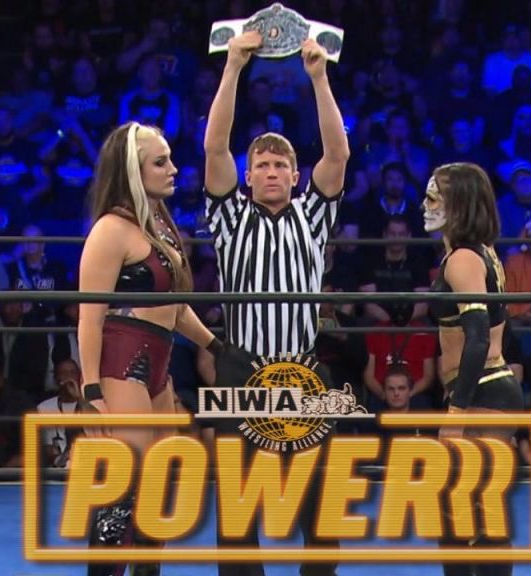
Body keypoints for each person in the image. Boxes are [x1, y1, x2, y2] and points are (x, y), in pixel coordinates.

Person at [202, 31, 348, 576]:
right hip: (243, 369)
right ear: (248, 176)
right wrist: (233, 68)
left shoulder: (313, 214)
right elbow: (215, 148)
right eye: (261, 164)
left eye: (280, 165)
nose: (270, 171)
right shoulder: (229, 218)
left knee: (321, 506)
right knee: (239, 509)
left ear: (294, 175)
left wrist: (319, 77)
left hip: (303, 370)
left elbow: (338, 153)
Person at [77, 121, 221, 576]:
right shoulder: (111, 230)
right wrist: (91, 392)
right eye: (160, 162)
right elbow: (89, 316)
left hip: (159, 366)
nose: (173, 169)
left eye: (170, 159)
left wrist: (216, 345)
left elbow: (175, 307)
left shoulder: (159, 225)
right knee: (125, 483)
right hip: (124, 365)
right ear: (133, 172)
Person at [422, 162, 523, 576]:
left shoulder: (462, 259)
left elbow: (479, 338)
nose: (425, 205)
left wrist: (456, 412)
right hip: (489, 388)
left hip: (481, 392)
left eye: (434, 198)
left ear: (458, 204)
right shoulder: (483, 253)